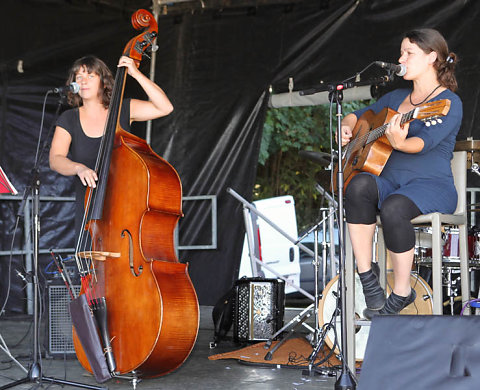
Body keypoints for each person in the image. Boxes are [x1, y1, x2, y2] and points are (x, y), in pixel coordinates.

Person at [339, 28, 462, 318]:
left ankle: (403, 291)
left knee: (394, 208)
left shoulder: (448, 104)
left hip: (430, 187)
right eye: (401, 52)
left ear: (432, 57)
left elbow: (423, 143)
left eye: (409, 53)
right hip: (392, 183)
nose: (401, 58)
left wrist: (400, 142)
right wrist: (347, 126)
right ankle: (367, 276)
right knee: (356, 186)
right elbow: (360, 115)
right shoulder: (395, 98)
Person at [49, 55, 173, 240]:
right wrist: (78, 168)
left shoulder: (123, 108)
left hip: (126, 211)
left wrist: (136, 74)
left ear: (103, 81)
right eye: (79, 76)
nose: (83, 81)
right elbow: (55, 159)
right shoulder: (69, 118)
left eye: (90, 75)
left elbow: (165, 108)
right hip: (90, 213)